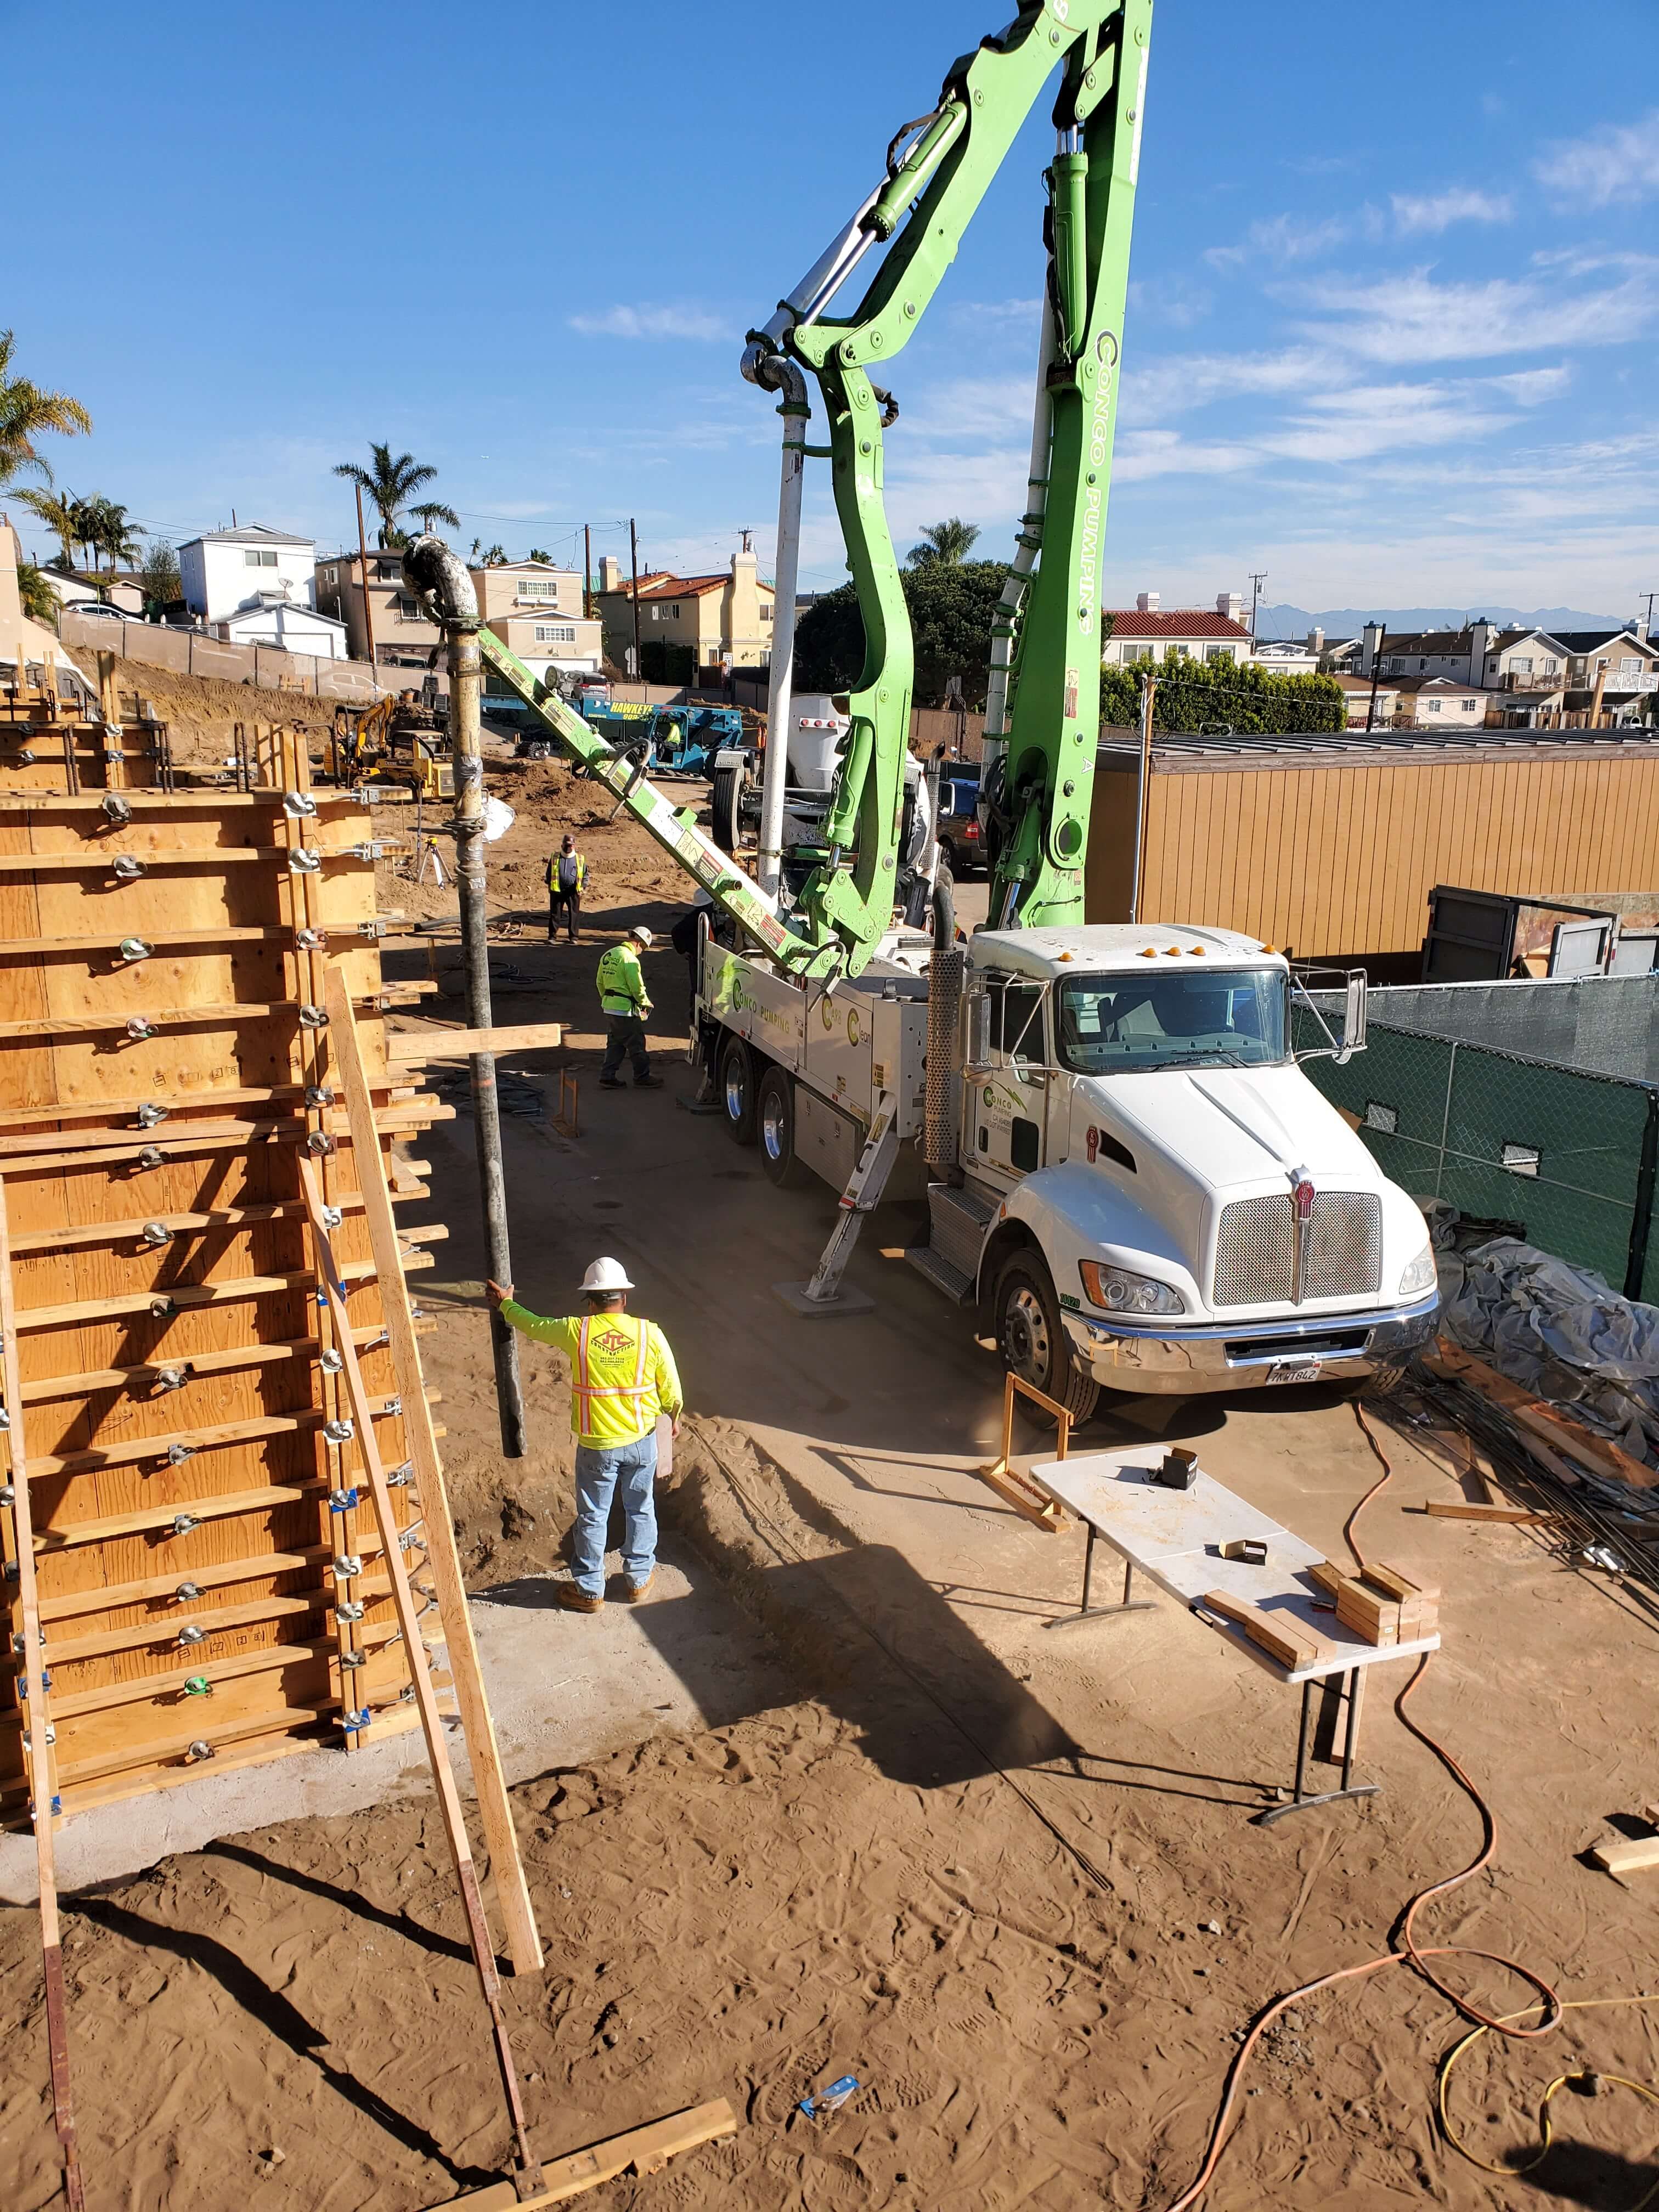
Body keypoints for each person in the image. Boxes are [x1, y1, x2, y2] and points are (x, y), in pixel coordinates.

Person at [486, 1259, 682, 1611]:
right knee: (641, 1508)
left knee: (593, 1515)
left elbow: (533, 1324)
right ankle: (639, 1580)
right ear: (624, 1297)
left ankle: (590, 1591)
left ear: (590, 1300)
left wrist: (505, 1303)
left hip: (597, 1446)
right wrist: (674, 1414)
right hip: (641, 1440)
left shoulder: (577, 1331)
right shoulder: (649, 1333)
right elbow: (670, 1385)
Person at [596, 923, 661, 1088]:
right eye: (644, 949)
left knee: (616, 1043)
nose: (642, 952)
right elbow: (637, 987)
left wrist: (607, 999)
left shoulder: (608, 954)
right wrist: (645, 1002)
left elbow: (599, 982)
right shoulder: (630, 959)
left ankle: (607, 1076)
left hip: (609, 1007)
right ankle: (642, 1077)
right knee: (637, 1043)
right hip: (625, 1010)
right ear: (639, 943)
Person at [545, 834, 588, 943]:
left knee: (574, 914)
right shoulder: (555, 857)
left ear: (574, 846)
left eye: (571, 845)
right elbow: (549, 873)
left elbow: (585, 874)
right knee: (555, 914)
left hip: (573, 891)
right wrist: (549, 885)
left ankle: (574, 937)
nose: (569, 847)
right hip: (557, 890)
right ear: (562, 845)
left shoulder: (580, 859)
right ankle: (552, 936)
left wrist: (583, 886)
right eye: (567, 845)